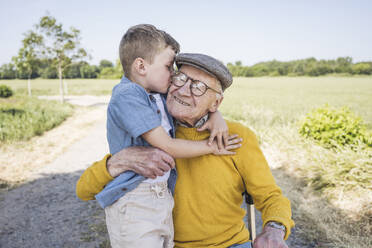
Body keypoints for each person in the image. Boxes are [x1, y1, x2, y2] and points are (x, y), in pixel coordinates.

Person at [77, 53, 295, 248]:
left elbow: (270, 197)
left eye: (198, 86)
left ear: (216, 102)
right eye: (180, 78)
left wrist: (274, 230)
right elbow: (83, 190)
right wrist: (118, 162)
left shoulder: (237, 137)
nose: (183, 90)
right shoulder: (153, 133)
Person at [93, 24, 241, 248]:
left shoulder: (154, 94)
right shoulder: (127, 95)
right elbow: (167, 145)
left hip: (160, 195)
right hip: (135, 198)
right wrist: (212, 147)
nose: (173, 75)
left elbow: (191, 100)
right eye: (168, 66)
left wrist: (215, 113)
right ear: (141, 66)